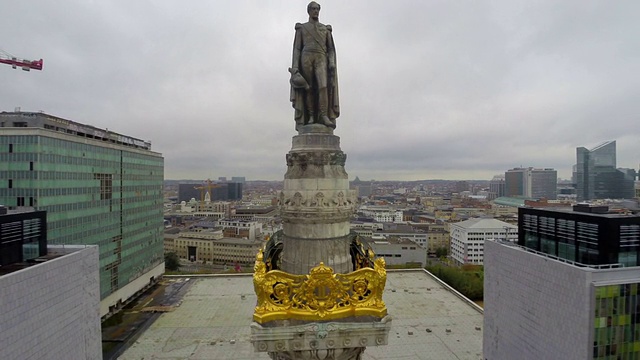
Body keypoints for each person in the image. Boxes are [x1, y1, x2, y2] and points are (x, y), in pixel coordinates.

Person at [290, 1, 340, 130]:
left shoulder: (325, 29)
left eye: (317, 9)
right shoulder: (302, 28)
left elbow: (331, 49)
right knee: (309, 87)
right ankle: (311, 116)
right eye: (313, 9)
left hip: (321, 57)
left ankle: (323, 115)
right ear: (309, 11)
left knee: (323, 86)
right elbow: (297, 48)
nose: (315, 11)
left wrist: (332, 62)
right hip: (306, 57)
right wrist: (295, 66)